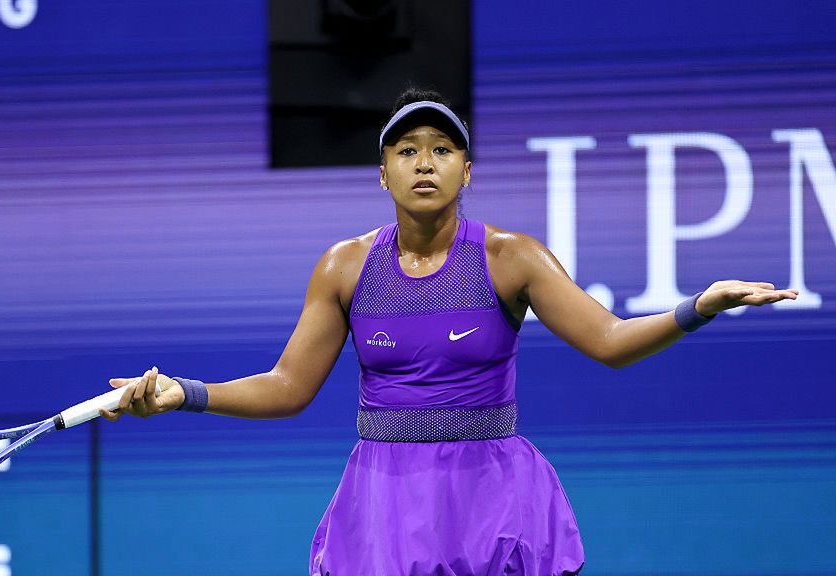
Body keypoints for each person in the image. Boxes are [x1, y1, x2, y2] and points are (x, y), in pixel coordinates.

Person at [99, 88, 799, 575]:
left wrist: (700, 306)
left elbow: (610, 342)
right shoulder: (345, 266)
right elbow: (288, 386)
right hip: (383, 505)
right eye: (406, 150)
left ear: (467, 170)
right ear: (383, 174)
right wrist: (184, 393)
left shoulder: (512, 257)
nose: (424, 162)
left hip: (495, 500)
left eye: (441, 149)